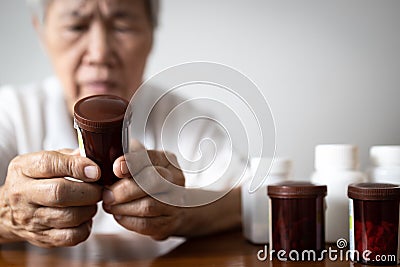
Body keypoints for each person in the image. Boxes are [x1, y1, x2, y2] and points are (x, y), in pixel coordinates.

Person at [0, 0, 244, 248]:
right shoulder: (10, 112)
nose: (100, 54)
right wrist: (6, 214)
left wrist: (184, 208)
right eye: (76, 27)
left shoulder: (185, 122)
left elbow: (258, 200)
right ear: (41, 32)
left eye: (122, 26)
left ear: (151, 33)